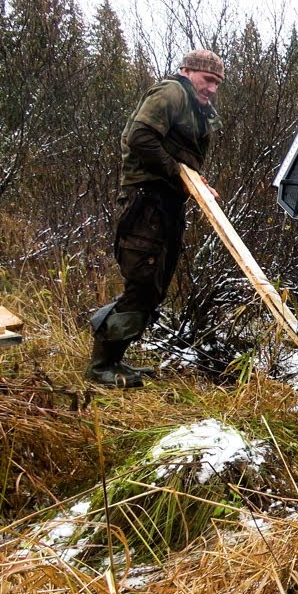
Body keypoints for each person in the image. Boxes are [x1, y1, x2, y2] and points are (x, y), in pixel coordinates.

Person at [86, 49, 224, 387]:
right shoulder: (172, 92)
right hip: (145, 202)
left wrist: (192, 181)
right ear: (188, 71)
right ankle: (101, 365)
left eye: (218, 83)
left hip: (168, 205)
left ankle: (114, 360)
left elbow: (179, 155)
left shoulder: (199, 110)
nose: (212, 88)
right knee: (142, 281)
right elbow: (140, 137)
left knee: (155, 286)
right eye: (208, 80)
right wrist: (178, 174)